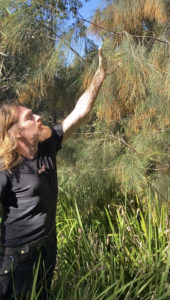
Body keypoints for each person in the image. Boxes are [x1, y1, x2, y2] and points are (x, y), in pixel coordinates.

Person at [0, 49, 106, 300]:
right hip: (17, 259)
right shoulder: (6, 168)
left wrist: (100, 76)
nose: (38, 117)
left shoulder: (47, 144)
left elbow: (80, 112)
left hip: (47, 247)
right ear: (16, 133)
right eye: (29, 117)